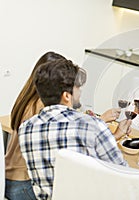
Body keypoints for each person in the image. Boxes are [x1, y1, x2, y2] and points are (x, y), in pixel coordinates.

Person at [5, 52, 125, 200]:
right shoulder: (41, 105)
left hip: (8, 175)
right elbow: (76, 152)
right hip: (23, 184)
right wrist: (102, 124)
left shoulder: (28, 98)